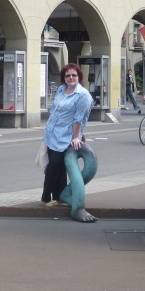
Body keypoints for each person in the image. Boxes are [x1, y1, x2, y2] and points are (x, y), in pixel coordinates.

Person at [41, 63, 93, 206]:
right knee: (59, 167)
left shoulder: (83, 95)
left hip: (66, 136)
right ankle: (59, 197)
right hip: (52, 134)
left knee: (54, 165)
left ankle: (45, 196)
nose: (71, 78)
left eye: (74, 75)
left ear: (79, 77)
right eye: (68, 75)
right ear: (64, 78)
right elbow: (54, 110)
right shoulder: (61, 90)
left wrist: (76, 137)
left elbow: (79, 118)